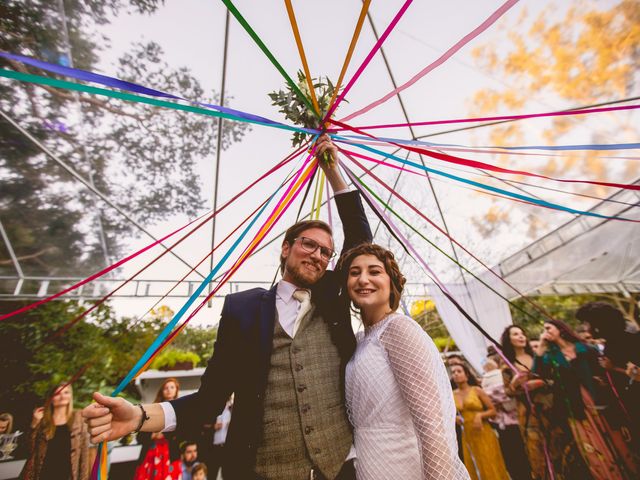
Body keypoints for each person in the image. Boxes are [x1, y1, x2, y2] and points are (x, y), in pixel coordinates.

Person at [82, 134, 373, 480]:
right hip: (264, 470)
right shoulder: (242, 309)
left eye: (326, 251)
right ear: (285, 248)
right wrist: (139, 416)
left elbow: (359, 238)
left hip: (340, 467)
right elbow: (210, 399)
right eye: (309, 244)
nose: (318, 255)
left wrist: (334, 171)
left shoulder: (332, 297)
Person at [339, 243, 468, 479]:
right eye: (354, 273)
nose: (363, 279)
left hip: (404, 463)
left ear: (391, 282)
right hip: (371, 463)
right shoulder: (358, 340)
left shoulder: (398, 328)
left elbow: (430, 421)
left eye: (374, 271)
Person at [535, 319, 637, 479]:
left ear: (560, 329)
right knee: (593, 446)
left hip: (600, 401)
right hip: (575, 408)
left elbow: (604, 373)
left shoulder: (586, 349)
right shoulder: (550, 357)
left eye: (548, 327)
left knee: (617, 440)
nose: (545, 331)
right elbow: (538, 374)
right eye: (543, 330)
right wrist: (540, 346)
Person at [576, 301, 640, 440]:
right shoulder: (610, 345)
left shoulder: (630, 341)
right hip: (628, 409)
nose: (585, 327)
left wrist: (613, 368)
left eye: (587, 323)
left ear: (599, 324)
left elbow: (636, 375)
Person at [500, 325, 551, 480]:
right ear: (509, 340)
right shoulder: (507, 365)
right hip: (528, 412)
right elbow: (508, 392)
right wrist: (515, 384)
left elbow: (551, 377)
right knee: (536, 450)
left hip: (549, 406)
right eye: (516, 334)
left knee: (554, 445)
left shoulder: (536, 356)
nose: (521, 336)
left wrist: (542, 382)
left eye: (522, 333)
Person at [20, 384, 94, 480]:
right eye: (58, 393)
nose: (62, 396)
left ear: (70, 395)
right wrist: (34, 424)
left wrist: (84, 477)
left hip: (68, 473)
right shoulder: (42, 418)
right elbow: (29, 449)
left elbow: (84, 451)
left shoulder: (79, 417)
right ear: (51, 398)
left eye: (66, 392)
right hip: (43, 472)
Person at [451, 363, 509, 480]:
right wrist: (454, 418)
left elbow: (493, 411)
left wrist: (480, 415)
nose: (456, 374)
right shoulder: (452, 394)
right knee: (473, 463)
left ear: (466, 375)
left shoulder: (477, 390)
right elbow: (449, 414)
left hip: (483, 431)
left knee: (489, 462)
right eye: (453, 372)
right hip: (467, 435)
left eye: (459, 371)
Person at [481, 358, 532, 480]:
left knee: (512, 456)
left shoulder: (484, 381)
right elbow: (508, 398)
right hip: (513, 419)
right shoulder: (499, 376)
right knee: (521, 454)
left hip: (502, 422)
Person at [133, 378, 181, 480]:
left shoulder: (181, 411)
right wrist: (152, 435)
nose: (169, 390)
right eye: (166, 388)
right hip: (151, 454)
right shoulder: (153, 409)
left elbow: (183, 433)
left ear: (176, 390)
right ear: (162, 391)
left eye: (172, 387)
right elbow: (140, 437)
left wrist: (164, 434)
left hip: (170, 455)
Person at [202, 395, 232, 479]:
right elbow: (202, 425)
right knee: (212, 473)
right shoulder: (213, 409)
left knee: (228, 474)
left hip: (228, 447)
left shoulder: (232, 409)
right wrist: (213, 427)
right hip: (214, 448)